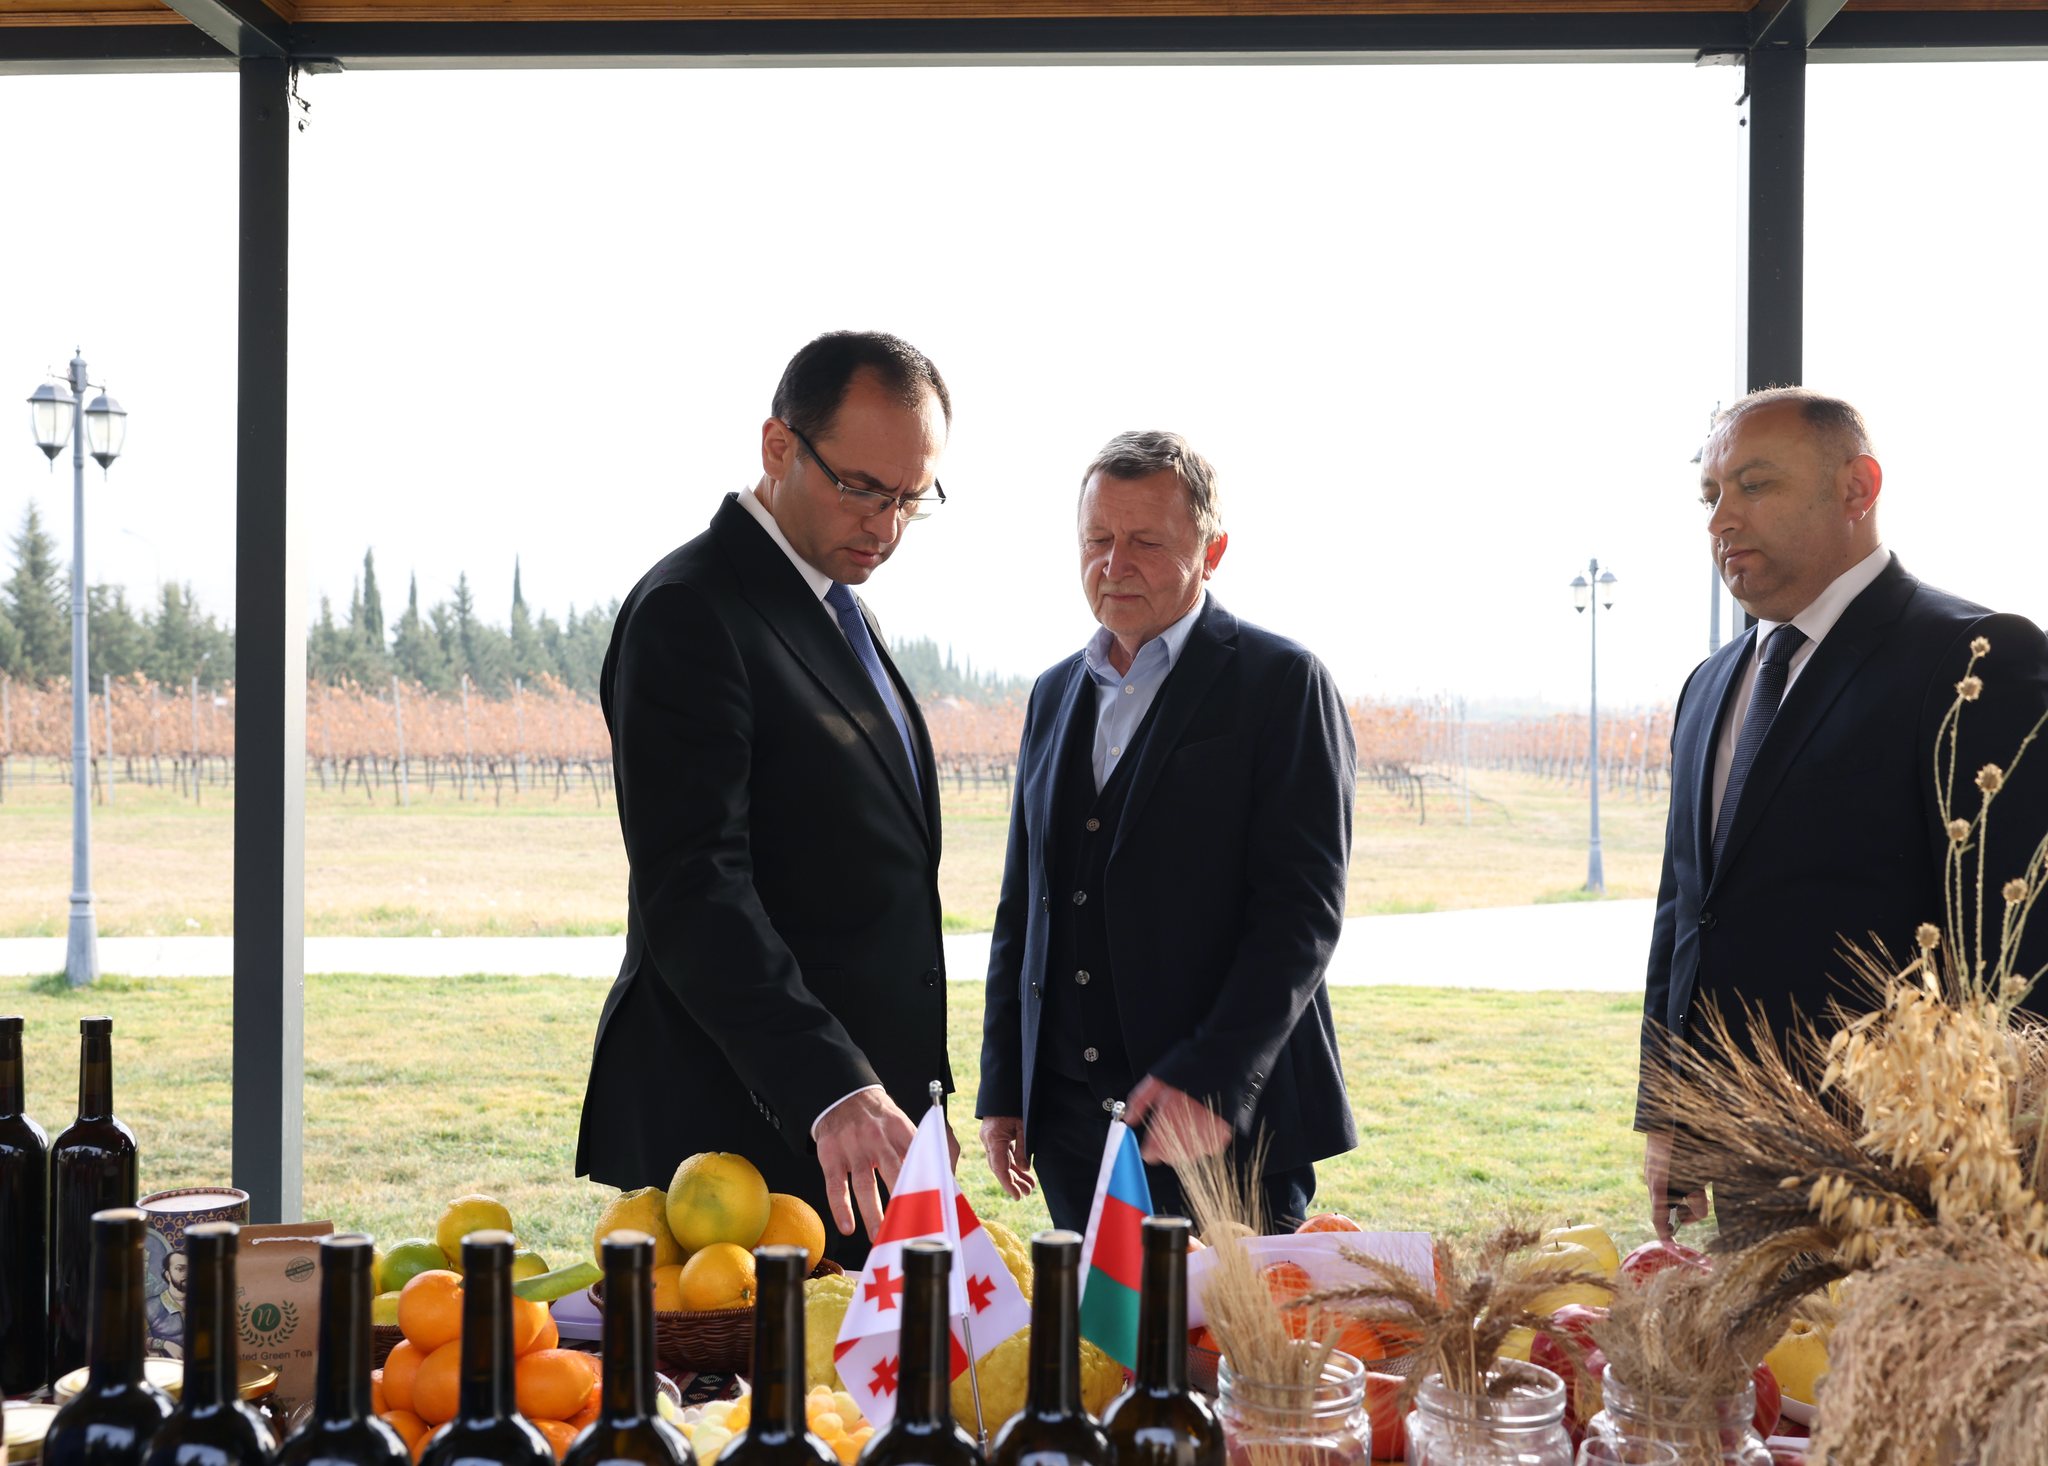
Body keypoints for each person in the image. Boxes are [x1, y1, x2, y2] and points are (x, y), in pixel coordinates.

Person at [576, 331, 955, 1262]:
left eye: (911, 499)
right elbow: (694, 885)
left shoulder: (837, 603)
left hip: (863, 1128)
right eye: (861, 487)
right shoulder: (690, 610)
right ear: (778, 446)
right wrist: (831, 1086)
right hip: (746, 1130)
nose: (886, 526)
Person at [1638, 387, 2048, 1237]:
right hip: (1740, 1148)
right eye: (1711, 495)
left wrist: (1996, 1160)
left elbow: (2020, 946)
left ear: (1857, 487)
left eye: (1755, 484)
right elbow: (1687, 912)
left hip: (1909, 1167)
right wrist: (1671, 1108)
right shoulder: (1708, 685)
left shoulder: (1978, 658)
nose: (1722, 518)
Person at [976, 430, 1358, 1232]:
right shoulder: (1052, 693)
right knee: (1088, 1321)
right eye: (1097, 540)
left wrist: (1214, 1079)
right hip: (1071, 1131)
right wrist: (1006, 1086)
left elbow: (1301, 914)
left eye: (1145, 542)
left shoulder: (1283, 684)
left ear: (1212, 552)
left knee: (1230, 1324)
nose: (1114, 565)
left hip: (1222, 1130)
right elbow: (1025, 903)